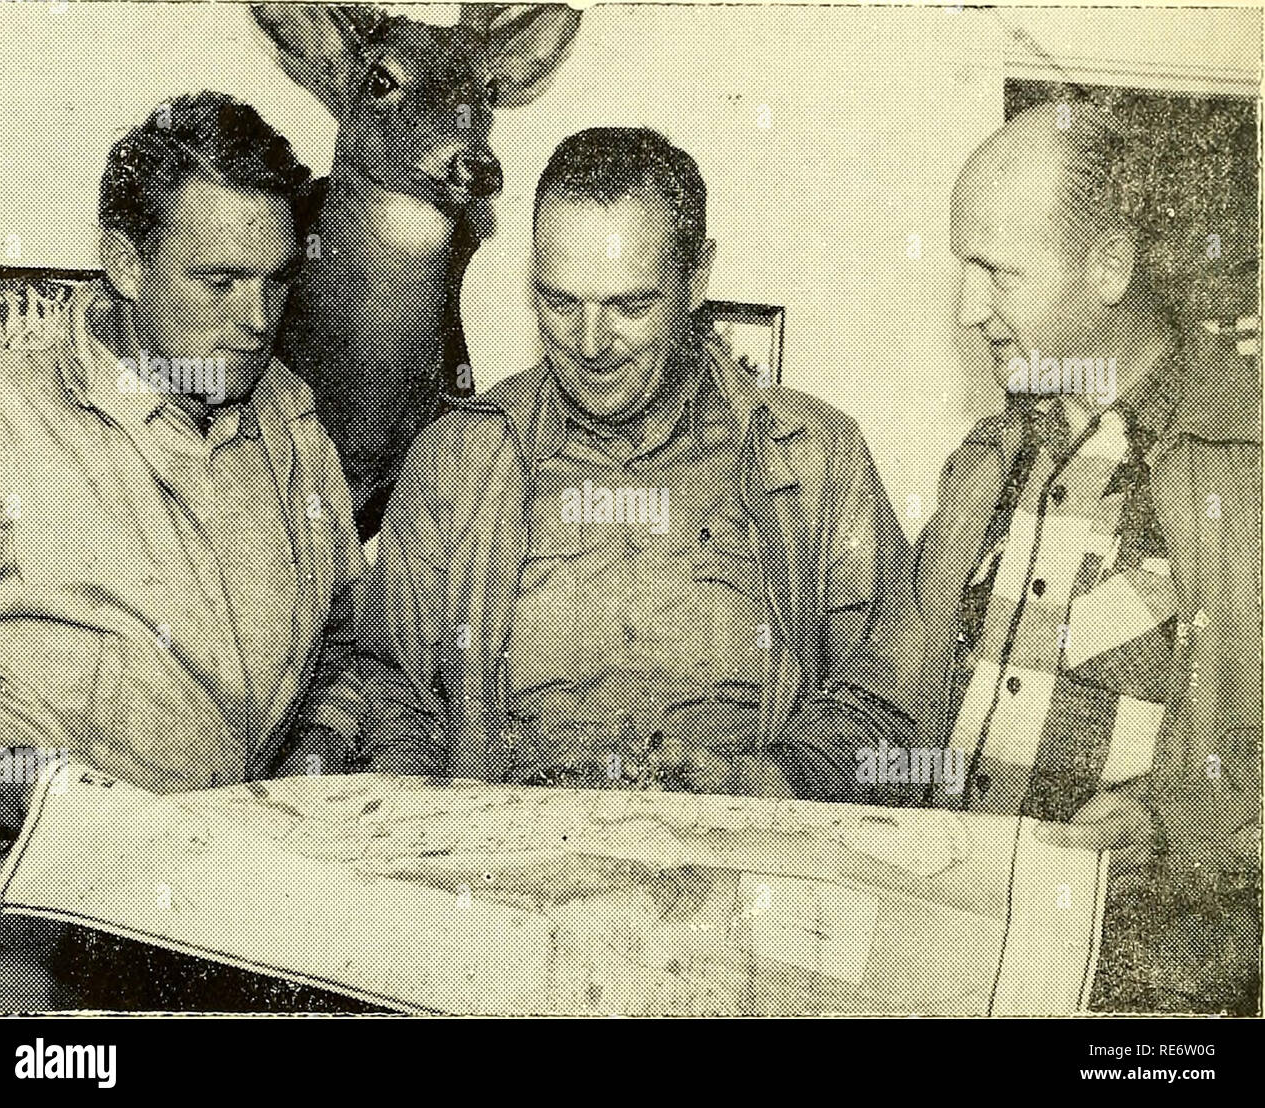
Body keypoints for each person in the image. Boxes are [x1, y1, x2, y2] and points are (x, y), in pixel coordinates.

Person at [358, 126, 913, 799]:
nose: (590, 344)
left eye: (631, 306)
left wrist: (760, 783)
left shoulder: (817, 461)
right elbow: (388, 693)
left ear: (697, 277)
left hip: (742, 877)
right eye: (560, 302)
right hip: (511, 884)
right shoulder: (455, 464)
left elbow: (888, 708)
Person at [901, 100, 1260, 1011]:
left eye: (997, 273)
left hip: (1136, 1003)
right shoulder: (981, 466)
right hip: (952, 966)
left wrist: (1173, 828)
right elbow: (893, 706)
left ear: (1109, 266)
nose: (969, 308)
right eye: (962, 269)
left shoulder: (1249, 466)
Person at [0, 91, 368, 846]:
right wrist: (19, 793)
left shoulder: (291, 421)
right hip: (30, 919)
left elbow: (347, 639)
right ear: (125, 264)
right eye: (218, 282)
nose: (256, 321)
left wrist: (321, 749)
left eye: (277, 280)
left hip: (236, 903)